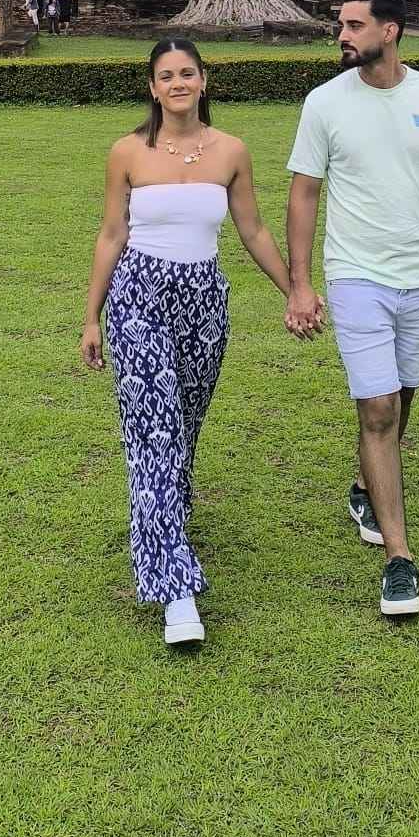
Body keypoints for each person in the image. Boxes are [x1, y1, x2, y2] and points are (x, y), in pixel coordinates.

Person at [81, 39, 323, 646]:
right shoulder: (127, 152)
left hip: (204, 297)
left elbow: (253, 229)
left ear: (203, 80)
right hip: (138, 296)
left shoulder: (231, 151)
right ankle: (175, 589)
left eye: (187, 73)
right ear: (152, 87)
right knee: (153, 429)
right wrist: (91, 317)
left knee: (184, 422)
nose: (178, 83)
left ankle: (167, 505)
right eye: (166, 76)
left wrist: (296, 290)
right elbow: (111, 234)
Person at [284, 0, 419, 620]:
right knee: (377, 408)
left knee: (401, 396)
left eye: (354, 25)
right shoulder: (324, 103)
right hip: (355, 276)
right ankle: (399, 559)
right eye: (340, 25)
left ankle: (364, 485)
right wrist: (300, 283)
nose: (342, 35)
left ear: (390, 30)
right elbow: (303, 194)